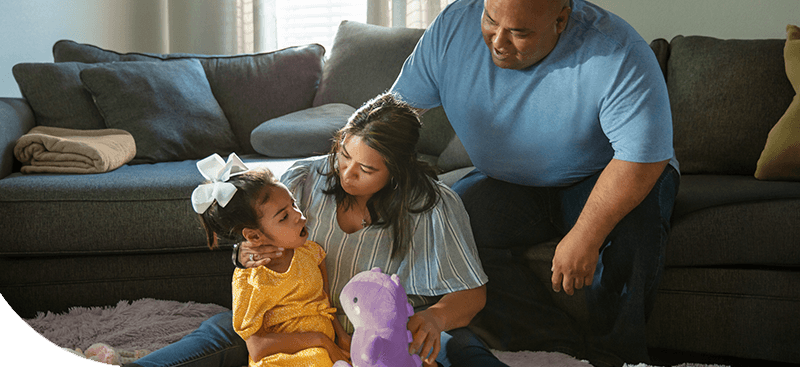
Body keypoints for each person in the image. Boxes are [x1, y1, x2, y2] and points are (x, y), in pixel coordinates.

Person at [388, 0, 680, 366]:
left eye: (520, 32)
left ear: (561, 19)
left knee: (634, 228)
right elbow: (395, 114)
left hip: (605, 175)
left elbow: (643, 157)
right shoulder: (452, 27)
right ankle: (563, 348)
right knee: (448, 227)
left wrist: (586, 233)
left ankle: (615, 357)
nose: (498, 41)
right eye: (490, 21)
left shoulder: (618, 51)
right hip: (510, 182)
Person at [127, 93, 500, 367]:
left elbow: (472, 293)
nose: (347, 173)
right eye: (344, 154)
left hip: (387, 334)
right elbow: (255, 227)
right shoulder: (308, 178)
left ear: (397, 172)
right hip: (296, 322)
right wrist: (242, 255)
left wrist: (435, 317)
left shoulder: (433, 205)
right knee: (222, 331)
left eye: (366, 170)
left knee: (459, 347)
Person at [190, 153, 350, 366]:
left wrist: (342, 337)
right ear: (255, 236)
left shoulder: (312, 252)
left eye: (294, 204)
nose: (299, 216)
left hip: (323, 353)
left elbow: (326, 304)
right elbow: (257, 348)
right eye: (284, 217)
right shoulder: (252, 278)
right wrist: (321, 341)